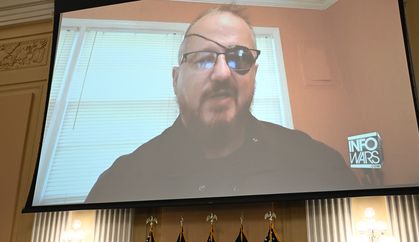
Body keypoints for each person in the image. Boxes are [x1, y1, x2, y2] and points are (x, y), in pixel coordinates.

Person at [85, 5, 359, 203]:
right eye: (203, 58)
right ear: (176, 78)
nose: (221, 73)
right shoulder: (120, 183)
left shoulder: (319, 165)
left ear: (254, 74)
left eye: (239, 58)